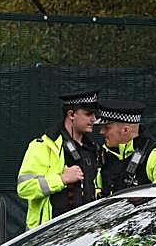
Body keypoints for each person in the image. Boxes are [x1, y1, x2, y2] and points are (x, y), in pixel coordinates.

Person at [16, 89, 101, 229]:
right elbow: (24, 188)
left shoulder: (93, 148)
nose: (93, 119)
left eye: (95, 114)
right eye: (88, 114)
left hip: (85, 235)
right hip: (48, 236)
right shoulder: (43, 146)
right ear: (71, 114)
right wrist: (61, 179)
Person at [96, 100, 156, 196]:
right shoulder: (103, 154)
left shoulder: (154, 153)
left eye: (106, 127)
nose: (101, 132)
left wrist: (147, 195)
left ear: (125, 130)